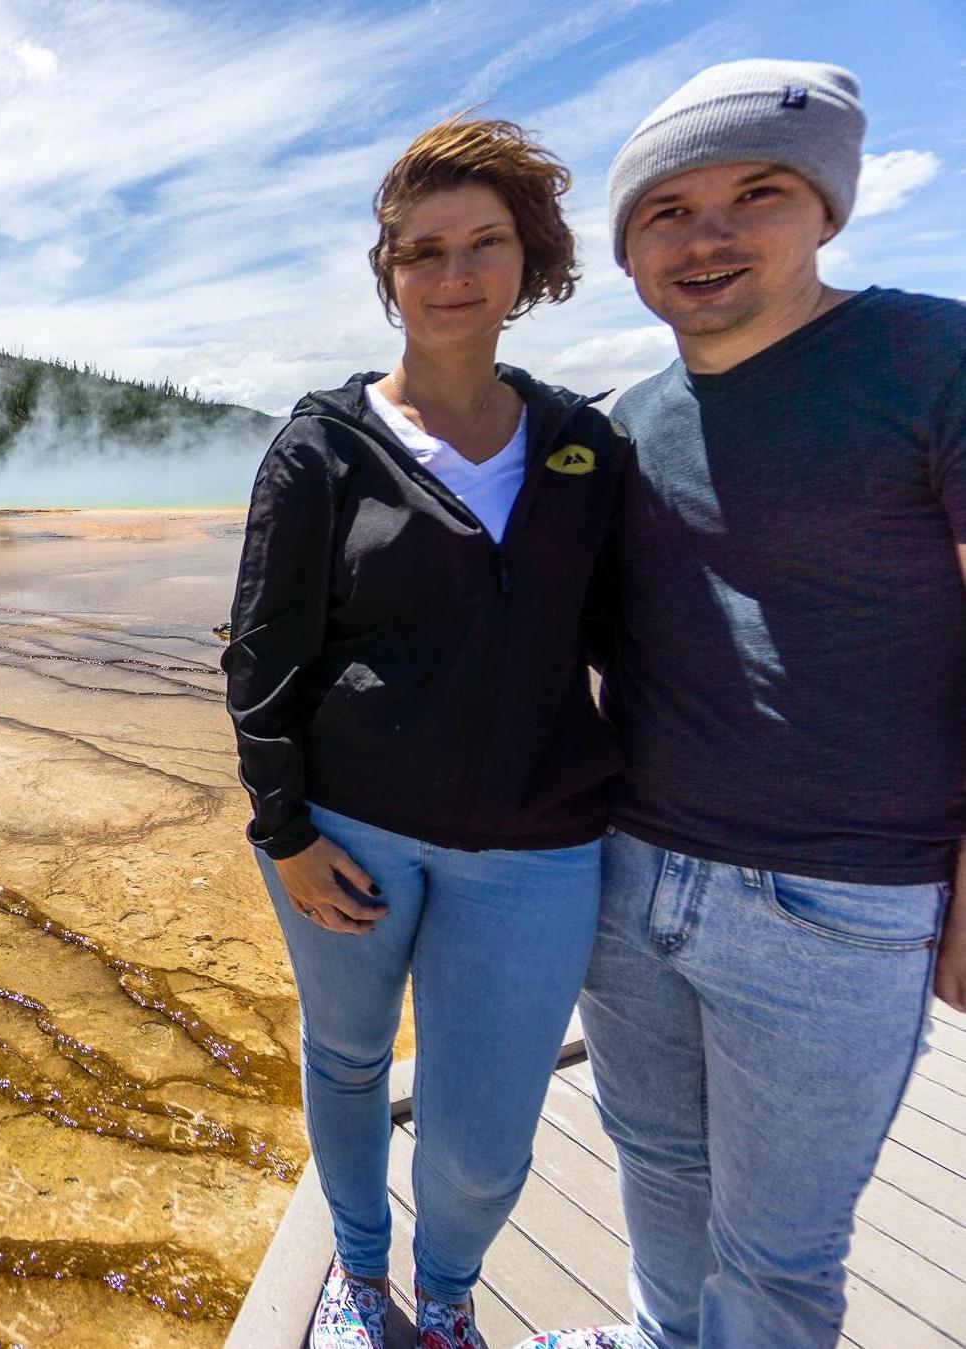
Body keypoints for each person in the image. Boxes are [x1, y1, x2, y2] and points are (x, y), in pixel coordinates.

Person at [524, 59, 966, 1349]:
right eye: (664, 210)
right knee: (653, 1161)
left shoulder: (930, 358)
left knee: (776, 1246)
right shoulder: (623, 421)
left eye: (753, 192)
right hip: (630, 867)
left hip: (837, 901)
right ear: (625, 247)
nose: (704, 235)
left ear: (823, 206)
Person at [221, 116, 631, 1349]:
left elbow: (632, 645)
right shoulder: (324, 445)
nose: (451, 275)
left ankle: (444, 1291)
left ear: (530, 262)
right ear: (387, 272)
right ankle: (358, 1274)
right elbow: (260, 654)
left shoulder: (584, 444)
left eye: (483, 245)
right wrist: (282, 828)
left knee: (481, 1124)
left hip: (538, 846)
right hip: (344, 833)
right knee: (346, 1059)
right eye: (421, 251)